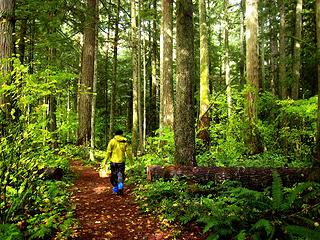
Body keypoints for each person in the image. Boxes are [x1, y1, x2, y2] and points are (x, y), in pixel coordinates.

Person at [103, 129, 132, 195]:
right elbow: (128, 153)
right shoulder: (125, 142)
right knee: (120, 175)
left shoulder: (112, 141)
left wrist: (105, 161)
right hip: (121, 162)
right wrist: (131, 162)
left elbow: (108, 152)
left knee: (114, 175)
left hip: (113, 162)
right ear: (122, 134)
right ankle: (120, 188)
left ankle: (115, 190)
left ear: (115, 134)